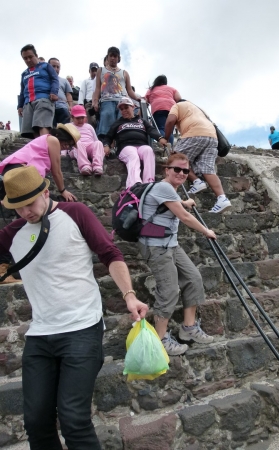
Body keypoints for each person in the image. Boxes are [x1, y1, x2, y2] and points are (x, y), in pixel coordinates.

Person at [0, 165, 148, 449]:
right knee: (36, 421)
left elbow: (109, 253)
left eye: (29, 203)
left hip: (81, 330)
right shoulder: (13, 232)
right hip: (40, 335)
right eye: (17, 208)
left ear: (45, 192)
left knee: (73, 419)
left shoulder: (75, 212)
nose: (25, 213)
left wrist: (129, 295)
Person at [138, 152, 216, 356]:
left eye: (185, 170)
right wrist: (206, 231)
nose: (182, 173)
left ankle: (188, 329)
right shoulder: (163, 186)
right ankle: (160, 339)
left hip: (170, 244)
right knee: (170, 289)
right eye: (177, 169)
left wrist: (183, 202)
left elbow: (171, 206)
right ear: (167, 170)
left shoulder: (169, 191)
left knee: (193, 278)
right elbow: (184, 217)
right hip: (156, 247)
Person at [165, 100, 231, 213]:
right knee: (207, 169)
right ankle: (222, 199)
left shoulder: (177, 105)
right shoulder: (200, 109)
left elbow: (170, 120)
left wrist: (165, 138)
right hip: (212, 137)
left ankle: (197, 182)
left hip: (193, 134)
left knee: (176, 159)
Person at [0, 124, 78, 202]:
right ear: (60, 135)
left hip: (15, 173)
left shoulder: (47, 140)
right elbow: (56, 172)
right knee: (47, 202)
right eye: (67, 142)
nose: (67, 146)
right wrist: (63, 191)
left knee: (45, 201)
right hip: (19, 172)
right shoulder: (53, 140)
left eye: (70, 145)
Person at [102, 97, 167, 187]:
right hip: (125, 147)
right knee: (133, 154)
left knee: (148, 150)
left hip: (141, 145)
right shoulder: (118, 123)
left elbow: (151, 130)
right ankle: (134, 184)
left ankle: (149, 182)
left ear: (133, 107)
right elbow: (108, 137)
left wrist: (160, 138)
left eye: (126, 107)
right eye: (121, 109)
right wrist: (106, 145)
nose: (124, 110)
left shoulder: (142, 121)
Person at [92, 46, 141, 140]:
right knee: (107, 115)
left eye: (115, 56)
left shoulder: (124, 73)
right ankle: (105, 143)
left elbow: (129, 90)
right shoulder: (101, 70)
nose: (113, 58)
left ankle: (122, 142)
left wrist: (137, 98)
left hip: (122, 100)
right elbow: (97, 88)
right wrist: (95, 101)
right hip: (106, 100)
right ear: (108, 56)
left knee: (122, 121)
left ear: (118, 58)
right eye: (111, 56)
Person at [18, 44, 59, 139]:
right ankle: (38, 151)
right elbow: (22, 90)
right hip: (28, 103)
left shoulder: (46, 66)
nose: (28, 60)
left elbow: (54, 79)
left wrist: (54, 92)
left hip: (44, 99)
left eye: (30, 57)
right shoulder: (24, 73)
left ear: (36, 55)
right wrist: (20, 106)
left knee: (42, 125)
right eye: (25, 58)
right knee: (32, 130)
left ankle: (46, 151)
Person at [145, 75, 181, 146]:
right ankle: (170, 146)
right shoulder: (172, 89)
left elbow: (146, 100)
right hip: (172, 109)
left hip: (158, 108)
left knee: (160, 128)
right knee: (169, 130)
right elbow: (179, 99)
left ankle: (165, 145)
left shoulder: (151, 89)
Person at [69, 105, 106, 176]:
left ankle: (97, 166)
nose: (80, 120)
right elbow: (64, 140)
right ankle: (84, 166)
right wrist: (63, 153)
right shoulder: (69, 126)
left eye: (82, 118)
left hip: (89, 147)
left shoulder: (89, 126)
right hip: (76, 148)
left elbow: (95, 139)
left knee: (98, 143)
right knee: (78, 142)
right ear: (72, 117)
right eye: (77, 118)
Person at [48, 58, 73, 127]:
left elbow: (68, 94)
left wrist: (70, 106)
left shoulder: (64, 81)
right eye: (53, 66)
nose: (56, 69)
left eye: (58, 67)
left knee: (65, 129)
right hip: (49, 107)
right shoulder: (44, 80)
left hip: (62, 107)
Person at [78, 62, 99, 127]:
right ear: (89, 71)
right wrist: (81, 104)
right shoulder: (86, 81)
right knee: (91, 121)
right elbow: (82, 92)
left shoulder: (101, 81)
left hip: (99, 102)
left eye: (96, 71)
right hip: (89, 103)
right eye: (92, 71)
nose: (94, 73)